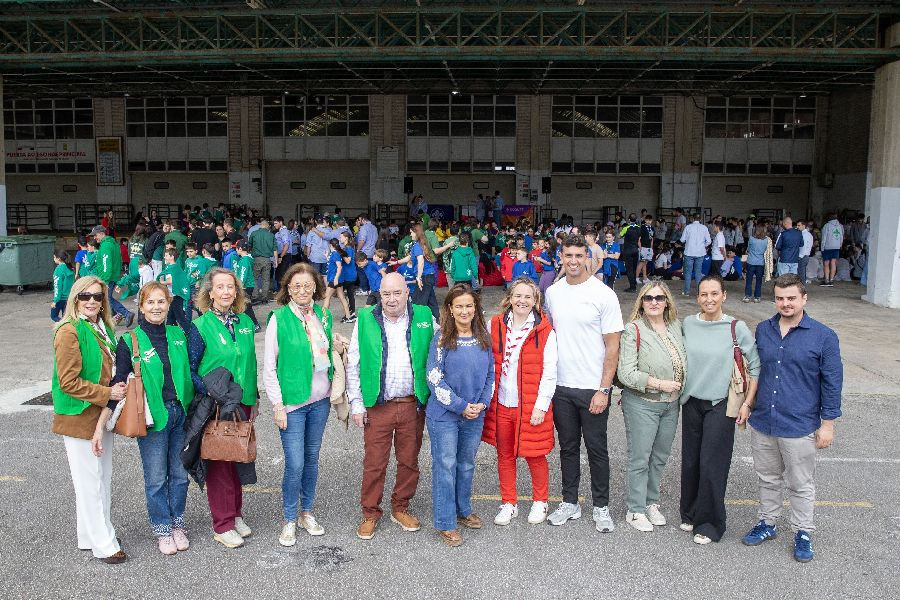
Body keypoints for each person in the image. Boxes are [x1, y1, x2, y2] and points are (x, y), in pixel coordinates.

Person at [740, 274, 843, 563]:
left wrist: (828, 424)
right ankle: (768, 523)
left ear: (804, 299)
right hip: (764, 420)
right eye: (780, 298)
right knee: (768, 478)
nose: (785, 303)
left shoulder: (824, 336)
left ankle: (803, 532)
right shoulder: (764, 330)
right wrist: (748, 404)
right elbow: (755, 371)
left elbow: (832, 382)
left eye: (791, 298)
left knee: (800, 483)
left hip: (799, 424)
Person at [347, 272, 436, 540]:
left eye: (397, 293)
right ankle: (370, 513)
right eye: (386, 294)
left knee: (409, 461)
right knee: (374, 463)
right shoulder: (365, 318)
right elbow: (354, 363)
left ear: (407, 293)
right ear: (379, 295)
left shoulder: (424, 316)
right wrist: (356, 403)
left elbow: (444, 345)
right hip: (378, 405)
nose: (392, 299)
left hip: (412, 405)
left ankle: (401, 507)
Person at [544, 234, 624, 533]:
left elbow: (613, 346)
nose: (574, 261)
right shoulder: (553, 292)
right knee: (568, 448)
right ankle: (570, 502)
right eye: (569, 255)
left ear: (588, 257)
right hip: (562, 386)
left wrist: (604, 389)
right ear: (561, 257)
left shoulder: (603, 294)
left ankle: (601, 506)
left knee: (596, 450)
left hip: (593, 387)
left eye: (579, 255)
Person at [109, 282, 194, 555]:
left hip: (181, 414)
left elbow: (193, 370)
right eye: (150, 302)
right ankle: (162, 528)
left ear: (168, 305)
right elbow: (119, 379)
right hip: (154, 416)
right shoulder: (130, 340)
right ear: (142, 307)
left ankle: (177, 523)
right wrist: (104, 418)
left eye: (161, 302)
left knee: (180, 475)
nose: (156, 307)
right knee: (156, 478)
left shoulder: (178, 334)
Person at [51, 276, 127, 563]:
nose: (92, 301)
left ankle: (88, 535)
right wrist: (108, 392)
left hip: (100, 412)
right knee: (91, 482)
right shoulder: (68, 331)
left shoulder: (101, 327)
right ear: (75, 298)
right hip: (79, 415)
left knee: (99, 478)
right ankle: (104, 544)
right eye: (85, 296)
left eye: (97, 296)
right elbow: (68, 382)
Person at [679, 275, 760, 545]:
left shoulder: (736, 328)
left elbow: (755, 366)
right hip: (692, 401)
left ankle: (710, 524)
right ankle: (690, 513)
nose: (709, 299)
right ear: (697, 297)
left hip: (721, 403)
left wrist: (747, 403)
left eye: (714, 293)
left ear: (724, 295)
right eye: (704, 294)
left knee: (712, 464)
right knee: (691, 461)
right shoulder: (688, 324)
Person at [264, 263, 337, 546]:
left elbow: (325, 350)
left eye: (308, 285)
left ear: (315, 287)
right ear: (288, 289)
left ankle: (307, 512)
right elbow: (269, 367)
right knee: (295, 463)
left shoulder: (323, 315)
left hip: (320, 401)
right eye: (297, 286)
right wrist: (277, 405)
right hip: (293, 403)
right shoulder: (278, 318)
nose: (303, 290)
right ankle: (289, 519)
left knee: (311, 459)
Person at [188, 267, 259, 549]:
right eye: (220, 287)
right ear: (210, 292)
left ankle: (236, 514)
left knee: (238, 458)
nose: (226, 292)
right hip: (217, 404)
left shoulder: (244, 322)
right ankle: (223, 524)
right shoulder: (200, 326)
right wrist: (211, 391)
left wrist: (254, 400)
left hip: (243, 402)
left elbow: (250, 364)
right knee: (219, 464)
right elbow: (191, 369)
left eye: (231, 287)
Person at [482, 278, 557, 526]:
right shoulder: (495, 324)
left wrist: (541, 406)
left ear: (535, 301)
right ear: (510, 298)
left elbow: (550, 372)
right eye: (517, 296)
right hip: (502, 403)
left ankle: (540, 500)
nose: (522, 301)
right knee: (504, 455)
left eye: (527, 297)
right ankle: (509, 503)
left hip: (530, 405)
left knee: (535, 454)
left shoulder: (545, 331)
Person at [425, 284, 495, 547]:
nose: (464, 311)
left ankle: (463, 510)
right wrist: (460, 405)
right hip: (445, 414)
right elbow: (434, 378)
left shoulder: (483, 337)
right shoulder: (441, 338)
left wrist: (482, 404)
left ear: (475, 308)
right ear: (450, 309)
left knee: (466, 464)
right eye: (459, 306)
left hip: (474, 414)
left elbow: (490, 374)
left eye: (469, 305)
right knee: (446, 466)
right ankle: (445, 521)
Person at [617, 282, 686, 532]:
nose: (654, 302)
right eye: (648, 298)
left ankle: (650, 502)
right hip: (642, 404)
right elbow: (626, 373)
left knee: (659, 458)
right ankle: (635, 510)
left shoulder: (676, 326)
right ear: (641, 302)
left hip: (671, 405)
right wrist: (658, 384)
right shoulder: (633, 329)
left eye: (659, 297)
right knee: (640, 458)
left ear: (667, 302)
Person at [92, 225, 135, 327]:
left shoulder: (105, 246)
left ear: (101, 234)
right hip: (113, 276)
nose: (94, 237)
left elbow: (106, 264)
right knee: (106, 298)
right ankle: (115, 316)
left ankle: (126, 313)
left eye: (95, 235)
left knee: (106, 299)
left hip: (107, 277)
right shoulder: (113, 243)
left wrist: (105, 281)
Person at [231, 240, 260, 330]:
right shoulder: (246, 259)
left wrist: (240, 285)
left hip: (245, 286)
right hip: (247, 285)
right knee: (244, 305)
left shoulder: (244, 260)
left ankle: (255, 324)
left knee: (246, 306)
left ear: (240, 249)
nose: (236, 250)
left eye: (236, 248)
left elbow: (243, 273)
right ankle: (249, 323)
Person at [680, 214, 711, 296]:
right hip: (700, 253)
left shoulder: (688, 227)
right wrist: (702, 246)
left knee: (688, 272)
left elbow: (682, 240)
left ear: (692, 218)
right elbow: (709, 241)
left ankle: (686, 292)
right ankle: (699, 292)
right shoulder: (704, 228)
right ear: (700, 219)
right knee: (698, 272)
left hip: (689, 252)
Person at [249, 218, 278, 302]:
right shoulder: (271, 235)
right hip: (267, 260)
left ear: (260, 225)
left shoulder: (254, 233)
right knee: (266, 279)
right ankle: (264, 298)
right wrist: (276, 261)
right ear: (267, 226)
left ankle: (255, 296)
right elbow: (275, 249)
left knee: (255, 278)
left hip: (256, 259)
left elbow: (250, 245)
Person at [743, 225, 769, 303]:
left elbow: (748, 249)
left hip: (751, 261)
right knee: (759, 281)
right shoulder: (766, 240)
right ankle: (757, 297)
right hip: (760, 262)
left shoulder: (751, 238)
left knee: (749, 280)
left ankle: (747, 296)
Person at [820, 214, 844, 287]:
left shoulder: (827, 225)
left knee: (826, 263)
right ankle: (831, 280)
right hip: (836, 247)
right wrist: (840, 245)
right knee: (833, 263)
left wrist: (822, 248)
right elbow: (841, 236)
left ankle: (826, 280)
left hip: (828, 247)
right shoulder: (840, 226)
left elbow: (824, 237)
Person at [51, 250, 75, 322]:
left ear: (58, 258)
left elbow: (57, 286)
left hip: (60, 298)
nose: (53, 259)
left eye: (54, 257)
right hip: (69, 297)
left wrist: (55, 300)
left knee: (54, 316)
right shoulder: (70, 268)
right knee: (66, 317)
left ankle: (62, 325)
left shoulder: (58, 269)